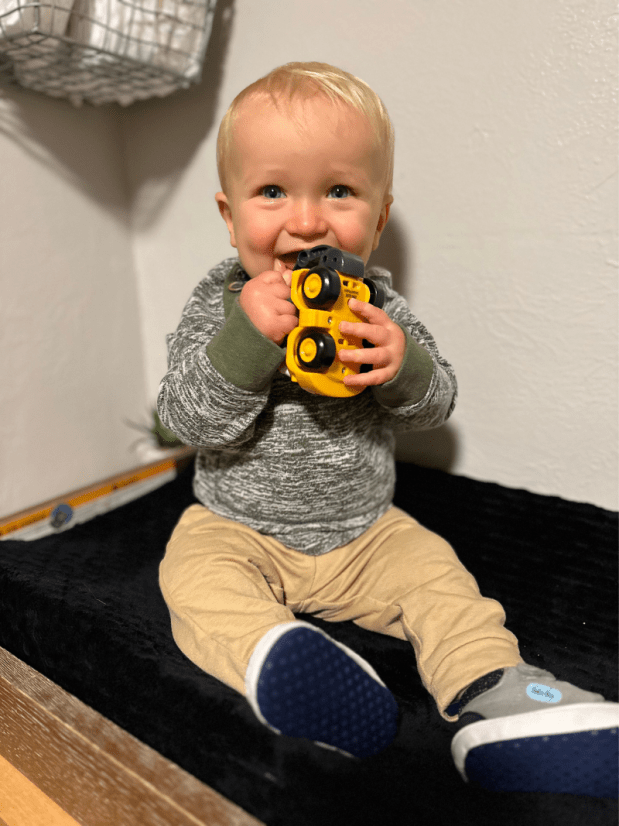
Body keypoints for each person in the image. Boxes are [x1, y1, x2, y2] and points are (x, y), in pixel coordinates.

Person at [157, 62, 617, 795]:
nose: (306, 220)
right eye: (272, 191)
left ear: (375, 218)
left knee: (439, 579)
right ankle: (279, 655)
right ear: (229, 214)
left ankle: (497, 697)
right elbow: (184, 420)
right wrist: (246, 343)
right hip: (237, 525)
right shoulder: (218, 307)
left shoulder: (378, 310)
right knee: (188, 576)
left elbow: (435, 407)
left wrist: (401, 367)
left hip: (364, 533)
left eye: (338, 191)